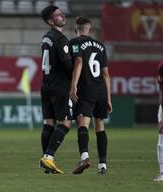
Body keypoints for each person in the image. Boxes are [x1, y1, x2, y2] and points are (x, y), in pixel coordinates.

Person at [69, 16, 112, 174]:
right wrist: (108, 97)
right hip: (100, 89)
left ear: (76, 29)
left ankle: (85, 157)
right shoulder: (100, 46)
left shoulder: (75, 42)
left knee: (83, 124)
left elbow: (78, 62)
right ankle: (103, 165)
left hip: (85, 88)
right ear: (90, 29)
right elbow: (106, 74)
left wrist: (73, 85)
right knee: (100, 126)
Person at [38, 5, 73, 174]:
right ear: (51, 21)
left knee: (49, 123)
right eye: (58, 15)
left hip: (46, 85)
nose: (62, 16)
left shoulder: (46, 38)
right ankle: (49, 157)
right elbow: (67, 65)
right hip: (60, 87)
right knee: (65, 123)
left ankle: (47, 163)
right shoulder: (61, 39)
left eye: (61, 13)